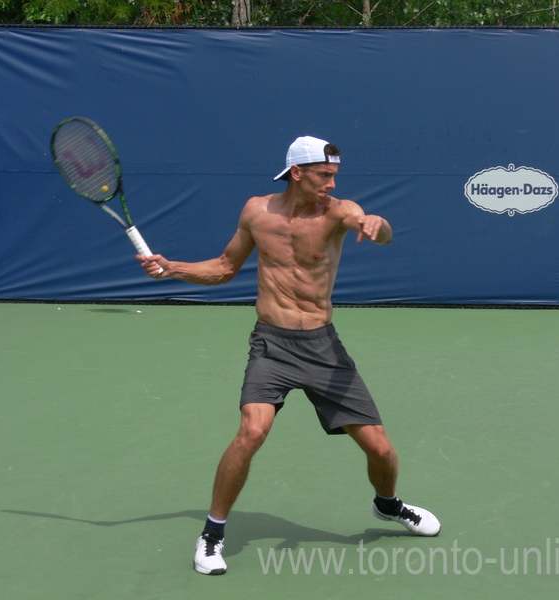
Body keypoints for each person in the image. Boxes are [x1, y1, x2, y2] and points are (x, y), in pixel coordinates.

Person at [138, 136, 440, 576]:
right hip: (272, 345)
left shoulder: (338, 212)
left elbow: (373, 227)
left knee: (381, 450)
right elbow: (224, 267)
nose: (332, 183)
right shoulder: (256, 212)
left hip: (323, 348)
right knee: (251, 432)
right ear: (297, 172)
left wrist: (375, 222)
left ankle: (389, 505)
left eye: (335, 175)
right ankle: (212, 534)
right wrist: (173, 268)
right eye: (324, 175)